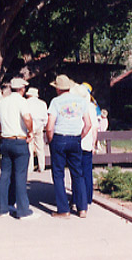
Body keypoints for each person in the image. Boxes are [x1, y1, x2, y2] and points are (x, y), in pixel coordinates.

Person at [0, 78, 35, 219]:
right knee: (20, 175)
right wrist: (30, 130)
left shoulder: (4, 102)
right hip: (19, 139)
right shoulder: (22, 102)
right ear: (21, 89)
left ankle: (3, 207)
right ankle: (23, 210)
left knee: (5, 174)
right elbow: (27, 117)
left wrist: (1, 127)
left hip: (6, 140)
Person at [46, 74, 92, 219]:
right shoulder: (81, 101)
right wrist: (80, 136)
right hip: (75, 137)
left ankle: (63, 209)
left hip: (60, 137)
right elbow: (88, 123)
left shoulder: (55, 102)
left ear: (58, 88)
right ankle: (82, 208)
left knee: (58, 174)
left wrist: (51, 140)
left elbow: (49, 126)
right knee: (77, 173)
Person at [72, 84, 99, 208]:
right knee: (87, 171)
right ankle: (88, 197)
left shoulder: (75, 107)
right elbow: (94, 128)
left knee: (77, 172)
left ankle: (77, 197)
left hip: (78, 141)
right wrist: (94, 144)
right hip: (87, 143)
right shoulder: (92, 108)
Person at [26, 87, 48, 173]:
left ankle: (30, 167)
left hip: (29, 126)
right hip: (40, 125)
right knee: (40, 147)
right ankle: (41, 166)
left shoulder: (26, 103)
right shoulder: (42, 104)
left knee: (29, 147)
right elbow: (45, 117)